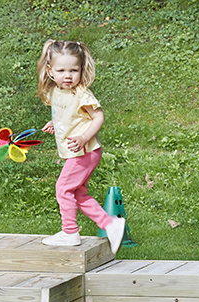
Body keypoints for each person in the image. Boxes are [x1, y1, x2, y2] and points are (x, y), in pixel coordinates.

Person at [35, 39, 125, 254]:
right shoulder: (57, 92)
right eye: (61, 70)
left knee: (63, 188)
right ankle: (110, 224)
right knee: (77, 194)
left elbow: (98, 116)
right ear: (50, 70)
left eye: (74, 70)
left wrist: (84, 137)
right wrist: (55, 122)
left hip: (84, 152)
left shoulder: (81, 94)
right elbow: (68, 114)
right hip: (77, 153)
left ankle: (70, 232)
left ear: (81, 70)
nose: (68, 76)